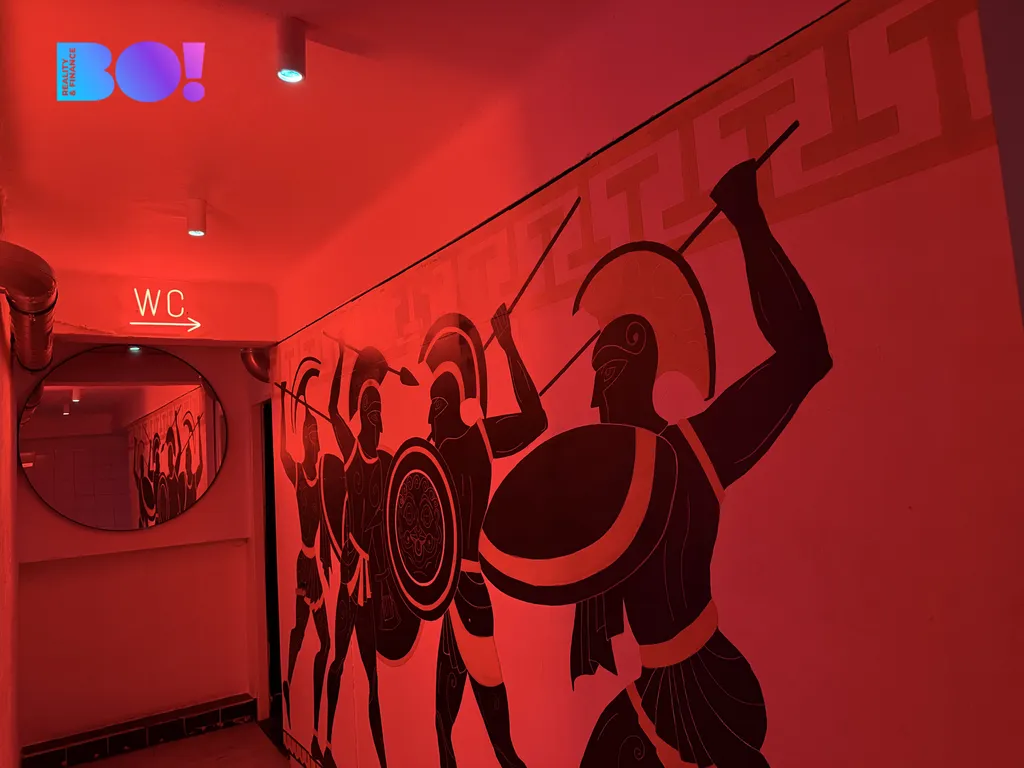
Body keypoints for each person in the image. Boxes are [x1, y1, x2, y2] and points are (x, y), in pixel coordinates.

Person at [573, 159, 833, 766]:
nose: (593, 400)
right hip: (657, 685)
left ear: (629, 369)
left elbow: (806, 354)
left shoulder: (690, 452)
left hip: (699, 683)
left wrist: (748, 219)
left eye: (601, 377)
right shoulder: (604, 483)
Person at [421, 304, 547, 768]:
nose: (429, 417)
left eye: (434, 406)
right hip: (454, 597)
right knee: (442, 723)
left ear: (446, 405)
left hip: (468, 597)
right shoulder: (441, 453)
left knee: (501, 747)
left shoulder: (477, 441)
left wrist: (509, 346)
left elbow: (536, 419)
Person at [319, 342, 394, 768]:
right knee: (338, 661)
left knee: (372, 677)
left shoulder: (384, 464)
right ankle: (328, 743)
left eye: (378, 408)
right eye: (369, 408)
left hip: (372, 580)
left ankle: (381, 762)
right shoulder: (351, 452)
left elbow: (388, 525)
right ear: (362, 414)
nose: (375, 415)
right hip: (351, 577)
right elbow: (331, 408)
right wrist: (340, 362)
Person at [278, 370, 333, 753]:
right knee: (301, 629)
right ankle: (287, 680)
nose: (314, 441)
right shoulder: (298, 474)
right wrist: (286, 400)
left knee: (323, 641)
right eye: (309, 436)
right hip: (304, 563)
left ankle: (314, 727)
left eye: (316, 436)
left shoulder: (324, 477)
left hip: (318, 567)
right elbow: (284, 448)